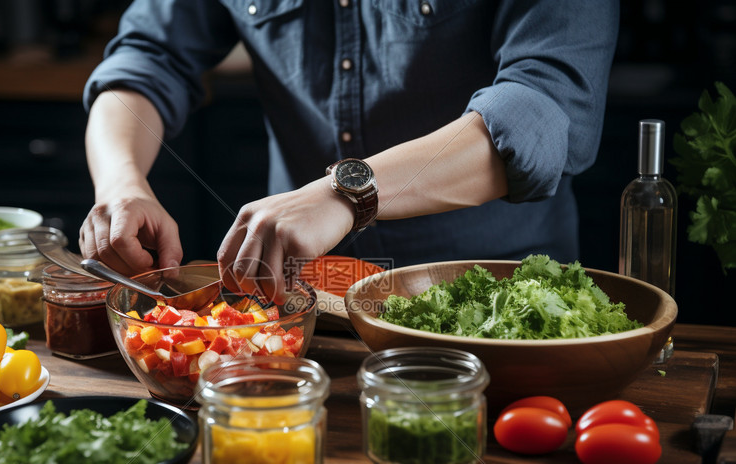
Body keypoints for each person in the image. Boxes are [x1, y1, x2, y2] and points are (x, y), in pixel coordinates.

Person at [80, 0, 619, 303]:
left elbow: (546, 110)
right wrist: (121, 184)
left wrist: (344, 194)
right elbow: (146, 58)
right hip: (305, 308)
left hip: (497, 305)